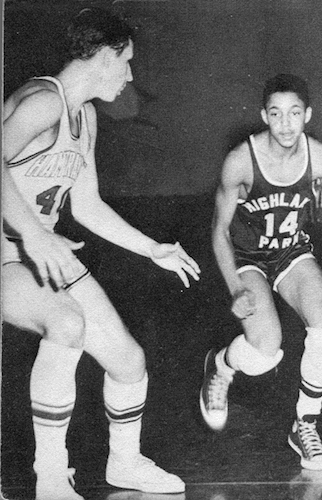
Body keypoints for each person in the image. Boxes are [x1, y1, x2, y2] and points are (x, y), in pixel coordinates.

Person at [2, 8, 201, 499]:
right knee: (67, 323)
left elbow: (86, 205)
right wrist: (34, 235)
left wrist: (151, 247)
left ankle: (125, 464)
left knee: (129, 361)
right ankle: (50, 479)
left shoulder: (84, 116)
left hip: (42, 253)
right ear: (103, 56)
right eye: (127, 61)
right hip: (10, 253)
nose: (131, 74)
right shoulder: (42, 101)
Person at [199, 74, 322, 470]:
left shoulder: (320, 158)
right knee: (264, 352)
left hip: (291, 251)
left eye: (294, 113)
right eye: (276, 114)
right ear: (264, 116)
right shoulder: (241, 160)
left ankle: (304, 425)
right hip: (247, 257)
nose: (286, 124)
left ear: (307, 114)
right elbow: (219, 232)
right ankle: (220, 366)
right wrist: (235, 288)